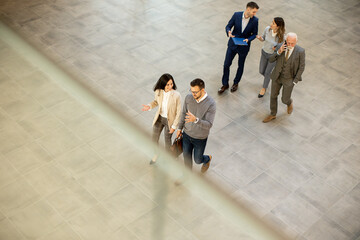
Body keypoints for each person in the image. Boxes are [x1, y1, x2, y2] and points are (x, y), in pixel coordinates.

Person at [263, 32, 305, 123]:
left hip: (289, 79)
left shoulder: (300, 51)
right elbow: (271, 59)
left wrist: (295, 81)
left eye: (292, 43)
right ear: (286, 40)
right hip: (277, 76)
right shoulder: (279, 46)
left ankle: (289, 103)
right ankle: (273, 114)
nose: (290, 45)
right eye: (288, 42)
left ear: (296, 42)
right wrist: (278, 52)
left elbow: (301, 67)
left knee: (284, 99)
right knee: (273, 96)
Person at [218, 2, 259, 94]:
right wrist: (228, 32)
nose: (254, 14)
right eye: (254, 12)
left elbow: (255, 34)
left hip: (244, 47)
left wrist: (248, 39)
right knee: (226, 64)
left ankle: (236, 83)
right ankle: (225, 84)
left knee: (240, 65)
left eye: (255, 12)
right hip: (233, 44)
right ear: (248, 9)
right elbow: (228, 26)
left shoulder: (255, 20)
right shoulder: (236, 15)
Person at [176, 78, 216, 173]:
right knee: (187, 159)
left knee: (197, 160)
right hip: (186, 134)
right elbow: (183, 113)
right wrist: (179, 128)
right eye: (191, 91)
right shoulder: (188, 98)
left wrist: (196, 120)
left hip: (200, 138)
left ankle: (207, 159)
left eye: (195, 92)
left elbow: (209, 125)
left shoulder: (211, 104)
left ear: (202, 90)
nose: (193, 94)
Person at [142, 73, 181, 164]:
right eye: (167, 84)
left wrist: (174, 126)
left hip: (169, 121)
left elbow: (179, 112)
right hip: (159, 118)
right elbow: (156, 102)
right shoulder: (158, 91)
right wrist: (149, 106)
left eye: (171, 84)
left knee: (167, 141)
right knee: (154, 138)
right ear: (163, 84)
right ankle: (156, 154)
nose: (170, 86)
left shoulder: (176, 95)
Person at [256, 17, 285, 98]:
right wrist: (260, 38)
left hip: (273, 56)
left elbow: (282, 48)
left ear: (278, 26)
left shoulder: (282, 36)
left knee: (267, 73)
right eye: (272, 22)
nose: (271, 24)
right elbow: (263, 38)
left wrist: (276, 48)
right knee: (262, 71)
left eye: (273, 23)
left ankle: (264, 88)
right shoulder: (267, 29)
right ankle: (268, 78)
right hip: (264, 53)